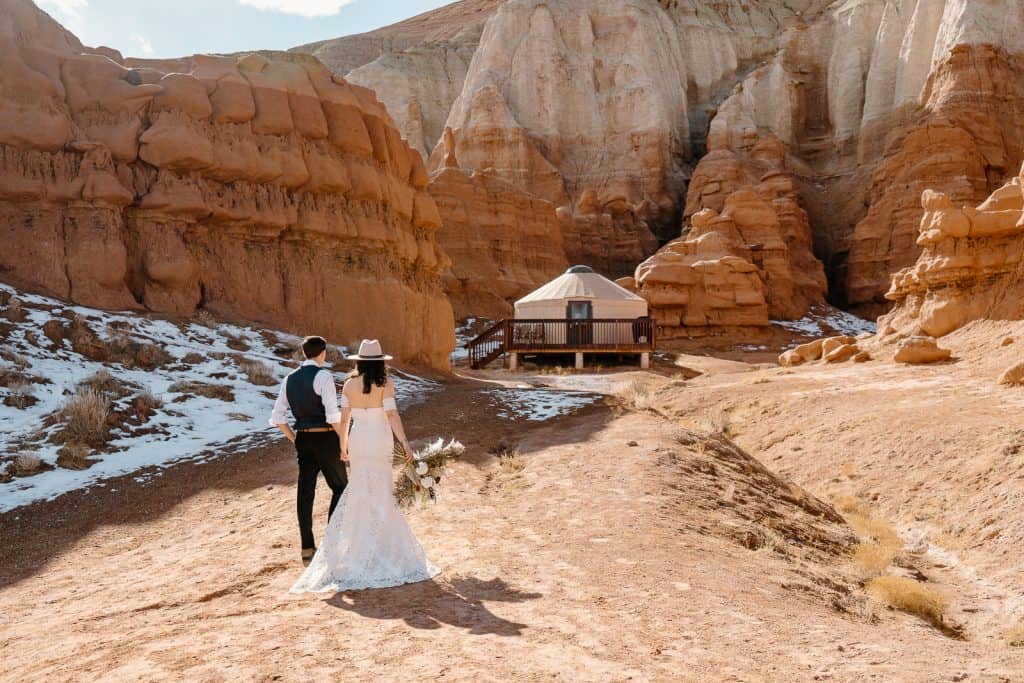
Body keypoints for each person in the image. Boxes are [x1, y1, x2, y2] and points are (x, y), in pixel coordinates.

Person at [290, 339, 438, 593]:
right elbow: (392, 415)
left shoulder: (348, 384)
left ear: (359, 362)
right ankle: (381, 546)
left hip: (358, 441)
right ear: (381, 362)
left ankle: (357, 549)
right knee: (382, 491)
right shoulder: (386, 384)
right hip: (379, 440)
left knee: (359, 491)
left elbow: (345, 418)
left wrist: (343, 446)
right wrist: (404, 442)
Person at [269, 335, 347, 565]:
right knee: (341, 487)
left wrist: (295, 439)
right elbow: (333, 416)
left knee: (305, 492)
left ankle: (307, 547)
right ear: (322, 353)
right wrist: (344, 440)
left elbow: (278, 417)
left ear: (305, 354)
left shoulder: (289, 379)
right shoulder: (323, 375)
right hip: (325, 438)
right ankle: (330, 543)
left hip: (303, 439)